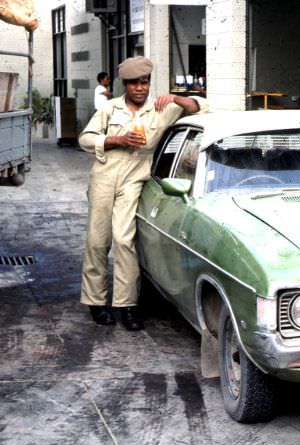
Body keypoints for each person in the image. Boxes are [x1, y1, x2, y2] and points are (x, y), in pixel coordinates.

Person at [78, 56, 208, 330]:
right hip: (104, 176)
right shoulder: (110, 109)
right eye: (134, 83)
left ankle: (126, 306)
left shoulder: (162, 108)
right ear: (125, 85)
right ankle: (95, 300)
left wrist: (175, 97)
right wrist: (117, 139)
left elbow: (201, 107)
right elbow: (85, 139)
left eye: (145, 82)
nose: (140, 88)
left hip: (134, 178)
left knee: (125, 240)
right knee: (97, 241)